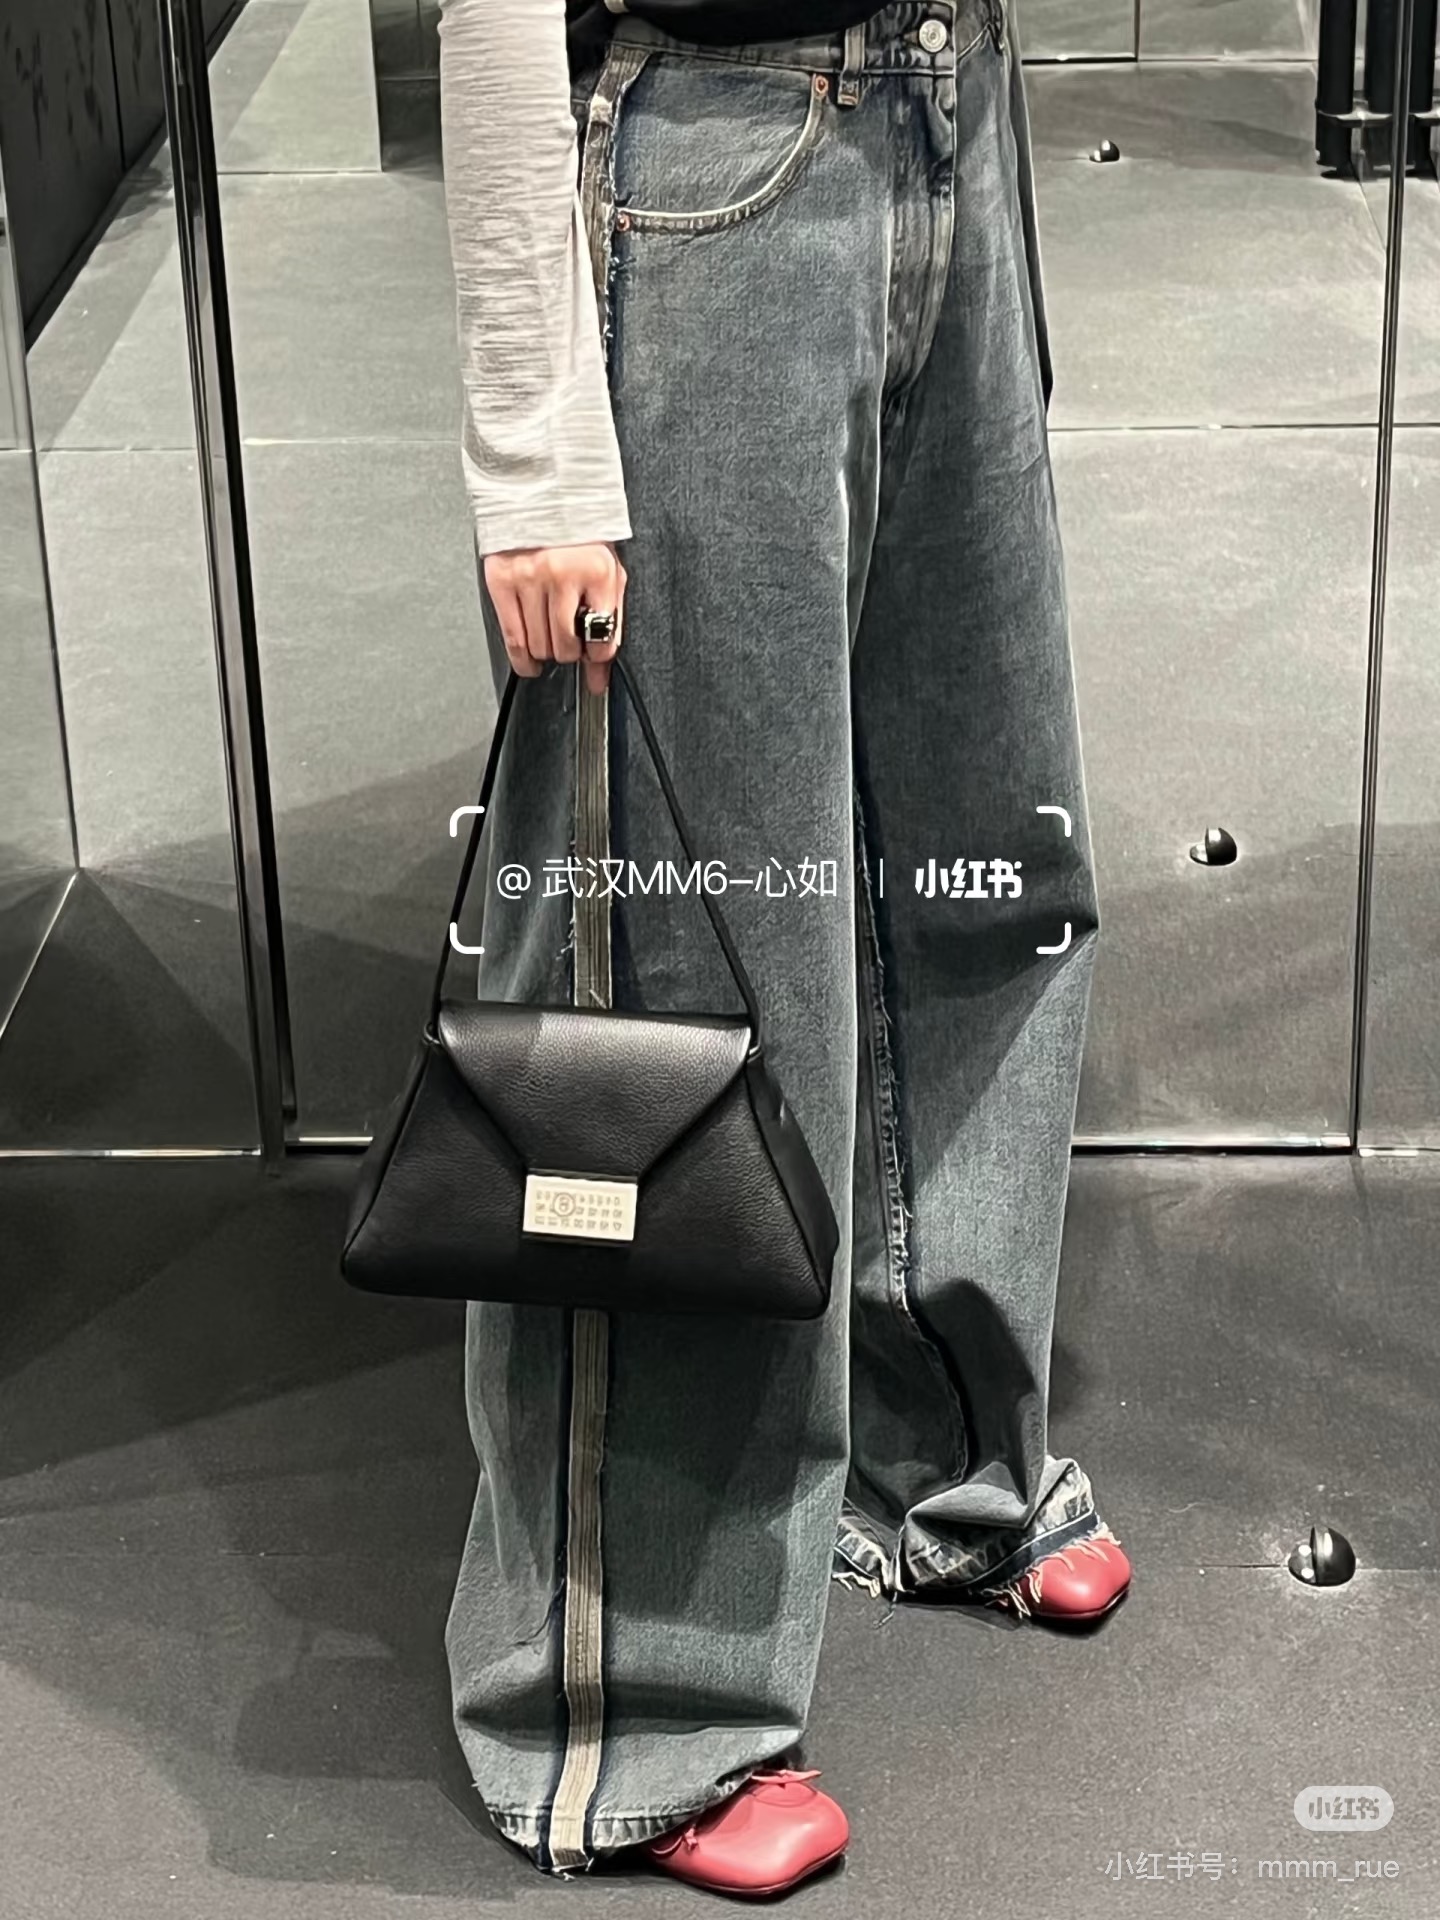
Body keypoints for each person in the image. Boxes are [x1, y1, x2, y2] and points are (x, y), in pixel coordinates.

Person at [434, 0, 1131, 1897]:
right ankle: (628, 1704)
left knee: (978, 860)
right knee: (681, 978)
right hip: (708, 157)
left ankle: (930, 1445)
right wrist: (535, 438)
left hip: (947, 106)